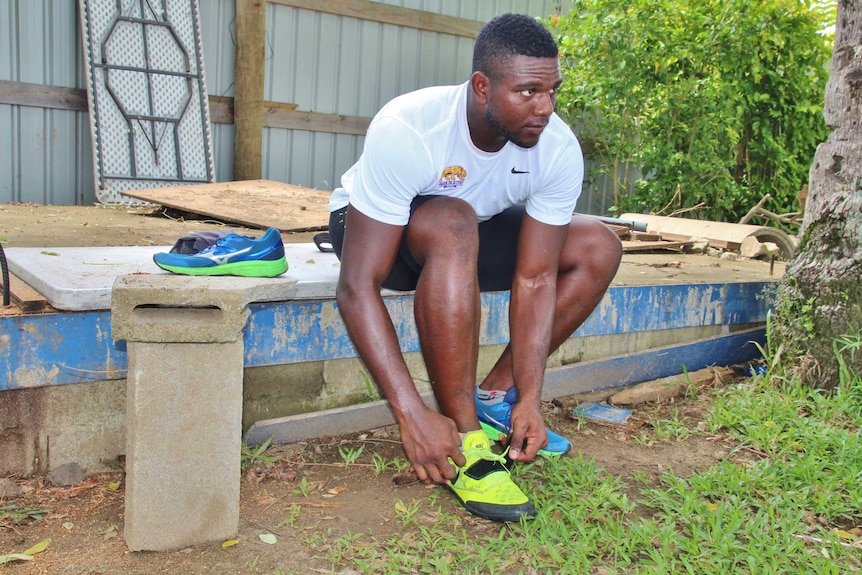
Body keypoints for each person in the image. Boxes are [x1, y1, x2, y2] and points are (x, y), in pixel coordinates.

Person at [327, 13, 622, 522]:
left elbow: (535, 277)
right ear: (482, 87)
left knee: (597, 244)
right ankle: (468, 441)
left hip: (464, 236)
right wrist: (411, 413)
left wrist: (531, 396)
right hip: (378, 235)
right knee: (453, 219)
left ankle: (496, 401)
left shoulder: (555, 147)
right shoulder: (411, 127)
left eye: (552, 91)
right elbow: (357, 286)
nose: (545, 108)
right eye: (528, 91)